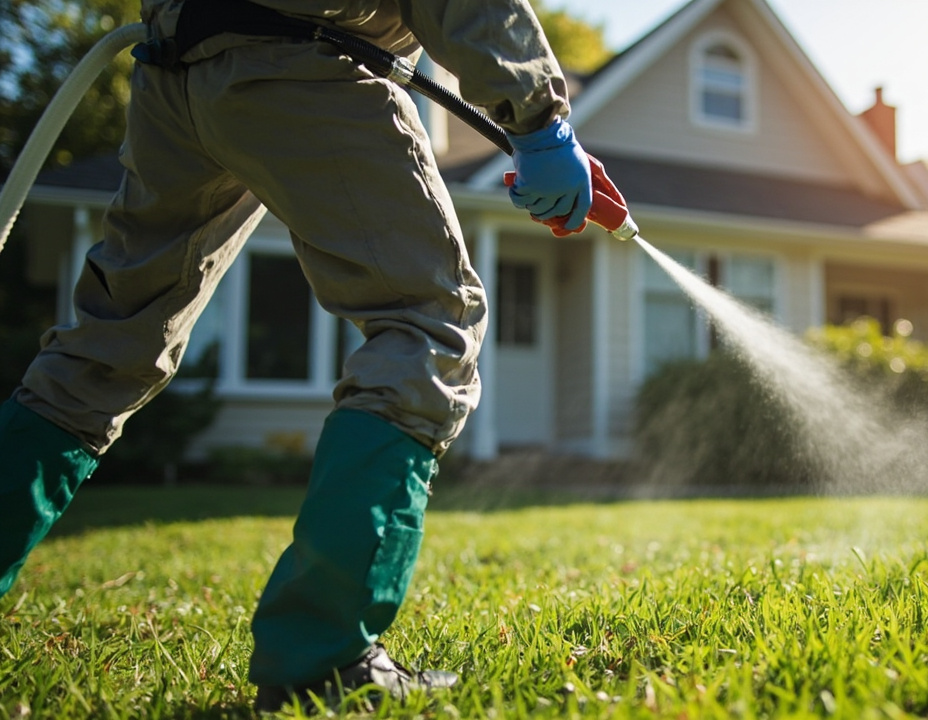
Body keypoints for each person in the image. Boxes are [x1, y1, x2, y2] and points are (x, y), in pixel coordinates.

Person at [0, 0, 592, 711]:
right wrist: (540, 118)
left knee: (103, 351)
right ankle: (323, 657)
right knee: (428, 321)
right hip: (305, 52)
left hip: (176, 72)